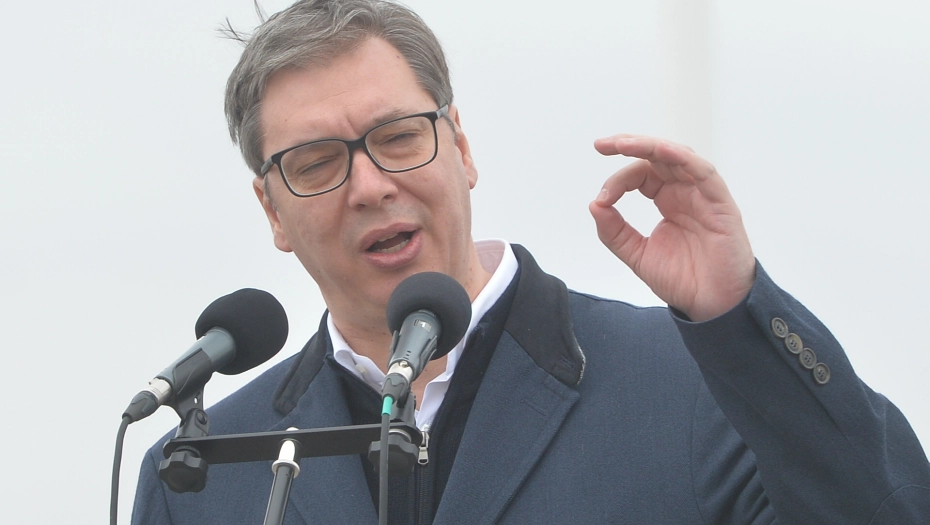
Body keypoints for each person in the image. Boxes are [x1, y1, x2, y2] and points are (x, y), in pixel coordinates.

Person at [131, 1, 930, 523]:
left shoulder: (693, 384)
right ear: (272, 209)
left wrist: (737, 313)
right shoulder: (200, 473)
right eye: (316, 163)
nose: (370, 186)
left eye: (399, 138)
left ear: (461, 147)